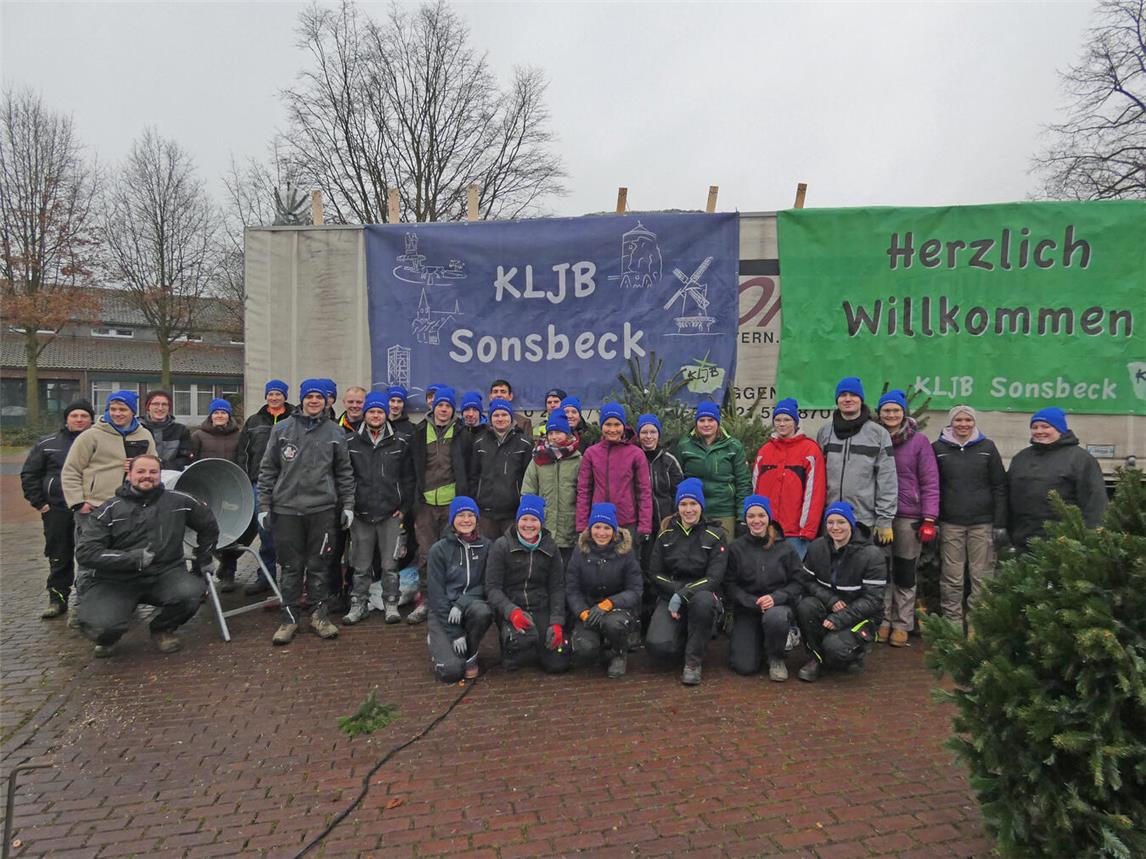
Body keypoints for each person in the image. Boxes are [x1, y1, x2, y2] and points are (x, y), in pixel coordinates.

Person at [74, 454, 218, 658]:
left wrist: (204, 557)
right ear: (129, 474)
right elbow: (86, 553)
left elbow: (209, 525)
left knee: (192, 593)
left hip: (165, 574)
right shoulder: (109, 510)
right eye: (140, 471)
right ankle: (108, 636)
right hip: (115, 580)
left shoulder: (180, 501)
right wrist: (132, 558)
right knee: (100, 626)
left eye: (153, 472)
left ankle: (162, 629)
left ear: (160, 474)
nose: (147, 476)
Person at [257, 378, 355, 645]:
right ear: (302, 399)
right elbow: (268, 470)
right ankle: (288, 620)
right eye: (309, 396)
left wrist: (347, 505)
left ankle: (319, 617)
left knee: (319, 566)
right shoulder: (283, 430)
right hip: (287, 510)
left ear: (326, 401)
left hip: (322, 510)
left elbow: (344, 472)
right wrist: (263, 505)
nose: (314, 401)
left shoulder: (335, 432)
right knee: (290, 567)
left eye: (319, 397)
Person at [932, 405, 1007, 631]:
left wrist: (1000, 522)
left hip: (982, 524)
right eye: (958, 420)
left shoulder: (987, 448)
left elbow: (1000, 486)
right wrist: (933, 519)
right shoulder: (938, 448)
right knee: (952, 578)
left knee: (982, 578)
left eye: (968, 420)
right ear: (950, 422)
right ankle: (952, 627)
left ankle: (978, 627)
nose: (963, 424)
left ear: (974, 423)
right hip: (951, 523)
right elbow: (932, 486)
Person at [646, 479, 728, 686]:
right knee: (659, 648)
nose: (688, 509)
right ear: (677, 507)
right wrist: (676, 591)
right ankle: (684, 633)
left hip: (703, 593)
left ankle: (693, 662)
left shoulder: (715, 534)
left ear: (701, 506)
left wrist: (683, 594)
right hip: (670, 592)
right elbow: (654, 572)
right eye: (683, 504)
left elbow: (714, 577)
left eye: (693, 504)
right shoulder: (665, 534)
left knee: (702, 603)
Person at [344, 391, 416, 625]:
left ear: (386, 414)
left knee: (390, 564)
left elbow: (408, 478)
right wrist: (349, 506)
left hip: (390, 514)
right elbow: (345, 478)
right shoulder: (351, 443)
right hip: (361, 514)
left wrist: (404, 507)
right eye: (372, 412)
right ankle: (358, 604)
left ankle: (391, 603)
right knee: (361, 564)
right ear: (365, 415)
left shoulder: (400, 442)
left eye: (380, 412)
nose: (376, 415)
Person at [795, 502, 886, 681]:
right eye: (830, 522)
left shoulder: (872, 555)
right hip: (829, 606)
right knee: (805, 606)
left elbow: (874, 600)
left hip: (860, 614)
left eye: (841, 522)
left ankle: (853, 654)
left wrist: (840, 617)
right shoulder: (816, 547)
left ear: (851, 524)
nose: (835, 527)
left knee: (835, 647)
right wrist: (830, 600)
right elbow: (805, 580)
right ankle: (816, 658)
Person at [876, 390, 939, 647]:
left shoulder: (919, 442)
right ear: (879, 414)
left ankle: (902, 623)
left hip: (907, 516)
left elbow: (930, 481)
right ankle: (883, 619)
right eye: (886, 410)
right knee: (881, 571)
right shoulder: (874, 438)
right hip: (880, 514)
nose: (891, 415)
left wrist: (929, 517)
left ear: (903, 412)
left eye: (895, 410)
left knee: (904, 571)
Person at [20, 400, 94, 618]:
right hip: (58, 508)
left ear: (91, 419)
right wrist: (39, 503)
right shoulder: (47, 444)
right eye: (75, 416)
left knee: (92, 553)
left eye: (84, 416)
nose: (79, 419)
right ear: (67, 419)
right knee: (59, 553)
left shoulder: (99, 442)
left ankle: (90, 598)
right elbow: (30, 474)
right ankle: (58, 598)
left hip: (90, 508)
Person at [485, 495, 571, 673]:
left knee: (558, 664)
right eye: (524, 519)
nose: (529, 525)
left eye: (534, 519)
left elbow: (557, 588)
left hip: (540, 606)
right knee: (518, 649)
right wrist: (511, 611)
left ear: (541, 522)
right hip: (513, 608)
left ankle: (538, 643)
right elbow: (492, 589)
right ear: (517, 521)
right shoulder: (501, 546)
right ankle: (511, 645)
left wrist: (556, 622)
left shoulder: (551, 547)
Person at [1007, 406, 1107, 552]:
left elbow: (1095, 500)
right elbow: (1008, 494)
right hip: (1024, 541)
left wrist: (1092, 536)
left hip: (1065, 543)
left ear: (1060, 429)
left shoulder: (1080, 459)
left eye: (1045, 426)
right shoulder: (1021, 458)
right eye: (1035, 427)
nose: (1039, 431)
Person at [410, 385, 471, 624]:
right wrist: (414, 502)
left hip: (452, 505)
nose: (443, 410)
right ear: (433, 407)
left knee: (452, 553)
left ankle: (452, 599)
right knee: (426, 554)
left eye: (447, 406)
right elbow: (411, 469)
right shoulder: (419, 432)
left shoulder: (462, 434)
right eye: (440, 406)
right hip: (425, 504)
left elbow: (468, 468)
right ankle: (426, 600)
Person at [726, 495, 803, 681]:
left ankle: (776, 657)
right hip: (748, 608)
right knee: (744, 666)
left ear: (769, 517)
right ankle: (760, 642)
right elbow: (729, 584)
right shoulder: (736, 548)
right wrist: (749, 601)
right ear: (745, 519)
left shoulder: (785, 548)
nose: (756, 521)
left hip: (778, 607)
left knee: (775, 618)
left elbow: (799, 582)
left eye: (761, 515)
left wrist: (777, 597)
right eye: (751, 516)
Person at [815, 377, 898, 547]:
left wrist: (885, 520)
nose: (847, 399)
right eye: (843, 395)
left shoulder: (878, 434)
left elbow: (887, 479)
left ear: (861, 399)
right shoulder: (825, 432)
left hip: (864, 521)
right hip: (831, 520)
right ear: (837, 400)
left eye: (853, 395)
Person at [565, 503, 642, 678]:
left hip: (617, 610)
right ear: (590, 529)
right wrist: (582, 612)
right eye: (597, 527)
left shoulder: (626, 553)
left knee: (613, 624)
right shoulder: (579, 552)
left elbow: (635, 590)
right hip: (589, 609)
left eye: (607, 528)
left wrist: (609, 604)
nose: (601, 532)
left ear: (614, 531)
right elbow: (572, 588)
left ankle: (618, 654)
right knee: (584, 651)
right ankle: (599, 648)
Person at [426, 496, 494, 681]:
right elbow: (436, 595)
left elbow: (489, 584)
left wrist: (462, 603)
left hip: (471, 606)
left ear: (477, 519)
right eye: (461, 515)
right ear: (452, 520)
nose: (466, 520)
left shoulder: (487, 546)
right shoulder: (438, 550)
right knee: (451, 672)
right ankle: (439, 641)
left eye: (471, 515)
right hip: (444, 611)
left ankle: (470, 653)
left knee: (484, 612)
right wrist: (454, 633)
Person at [236, 380, 294, 595]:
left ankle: (290, 577)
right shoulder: (253, 421)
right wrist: (243, 476)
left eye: (278, 394)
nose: (274, 397)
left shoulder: (294, 419)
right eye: (271, 394)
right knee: (265, 529)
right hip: (259, 482)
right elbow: (242, 453)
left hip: (288, 482)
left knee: (290, 531)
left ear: (285, 396)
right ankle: (266, 576)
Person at [62, 390, 157, 516]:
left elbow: (155, 466)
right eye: (113, 409)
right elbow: (71, 470)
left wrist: (139, 466)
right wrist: (78, 503)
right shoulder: (90, 436)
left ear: (133, 412)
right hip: (95, 506)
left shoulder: (145, 434)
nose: (117, 413)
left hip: (134, 506)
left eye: (123, 410)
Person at [751, 398, 825, 559]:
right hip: (768, 528)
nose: (782, 424)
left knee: (794, 575)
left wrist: (807, 528)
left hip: (796, 531)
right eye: (777, 419)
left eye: (787, 419)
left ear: (795, 422)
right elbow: (755, 490)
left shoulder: (810, 450)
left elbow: (815, 493)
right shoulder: (765, 450)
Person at [575, 402, 653, 548]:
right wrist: (582, 525)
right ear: (601, 426)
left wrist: (644, 526)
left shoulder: (636, 454)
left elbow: (644, 492)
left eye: (617, 424)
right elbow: (584, 491)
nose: (612, 429)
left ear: (623, 426)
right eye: (608, 424)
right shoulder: (591, 453)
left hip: (627, 524)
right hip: (599, 525)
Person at [189, 398, 244, 592]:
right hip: (205, 491)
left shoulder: (239, 435)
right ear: (211, 415)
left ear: (229, 415)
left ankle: (228, 572)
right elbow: (191, 463)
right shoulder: (198, 436)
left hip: (231, 490)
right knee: (202, 533)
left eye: (223, 412)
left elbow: (242, 460)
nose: (220, 416)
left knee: (232, 533)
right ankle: (199, 575)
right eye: (216, 412)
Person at [674, 401, 751, 537]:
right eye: (702, 420)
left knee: (723, 555)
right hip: (694, 512)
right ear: (696, 422)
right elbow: (677, 480)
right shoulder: (685, 446)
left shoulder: (733, 446)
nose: (706, 424)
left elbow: (743, 483)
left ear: (718, 422)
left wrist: (742, 517)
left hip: (724, 511)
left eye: (711, 420)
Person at [521, 412, 582, 564]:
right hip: (544, 527)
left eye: (559, 432)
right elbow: (528, 491)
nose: (554, 437)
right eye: (551, 433)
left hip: (569, 527)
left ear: (568, 434)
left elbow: (584, 494)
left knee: (567, 570)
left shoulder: (578, 460)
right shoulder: (538, 459)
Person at [470, 398, 534, 539]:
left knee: (511, 554)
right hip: (486, 512)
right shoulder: (479, 442)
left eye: (504, 415)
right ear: (490, 419)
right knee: (486, 553)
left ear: (511, 418)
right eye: (496, 415)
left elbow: (528, 478)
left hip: (513, 512)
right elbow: (474, 476)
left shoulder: (525, 443)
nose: (500, 419)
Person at [140, 390, 193, 471]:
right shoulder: (138, 429)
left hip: (171, 476)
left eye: (164, 404)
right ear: (148, 407)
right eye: (156, 404)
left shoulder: (181, 430)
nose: (160, 408)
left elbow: (185, 459)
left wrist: (162, 466)